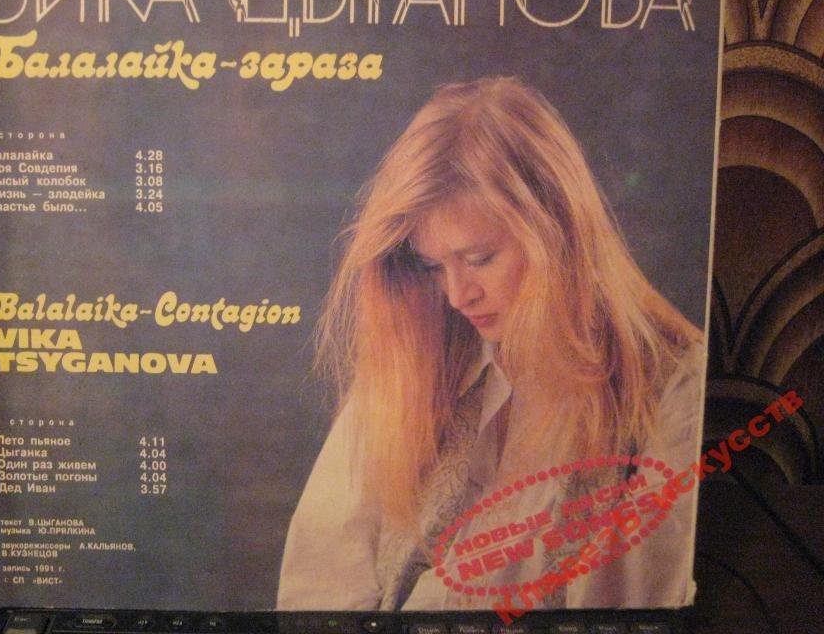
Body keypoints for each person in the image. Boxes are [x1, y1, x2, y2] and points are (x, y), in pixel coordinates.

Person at [277, 76, 704, 611]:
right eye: (434, 267)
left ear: (556, 231)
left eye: (479, 259)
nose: (457, 295)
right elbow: (321, 584)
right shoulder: (417, 349)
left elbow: (634, 609)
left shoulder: (672, 385)